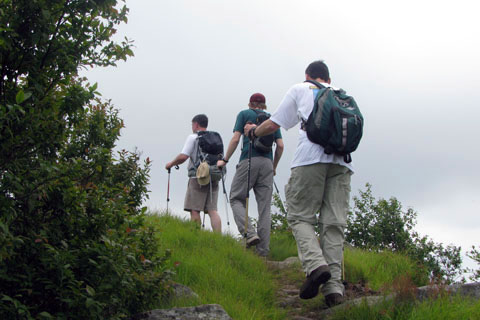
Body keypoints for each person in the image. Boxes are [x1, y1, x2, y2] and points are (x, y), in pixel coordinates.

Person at [244, 61, 353, 307]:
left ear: (308, 76)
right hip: (342, 163)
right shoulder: (342, 94)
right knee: (333, 224)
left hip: (310, 160)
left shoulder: (301, 89)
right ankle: (334, 289)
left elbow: (274, 124)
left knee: (300, 216)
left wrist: (253, 132)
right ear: (328, 78)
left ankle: (316, 266)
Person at [217, 93, 284, 257]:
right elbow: (280, 146)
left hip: (249, 159)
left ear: (250, 103)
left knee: (235, 197)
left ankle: (249, 233)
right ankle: (263, 253)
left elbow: (235, 139)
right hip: (267, 163)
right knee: (264, 208)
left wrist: (225, 159)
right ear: (265, 105)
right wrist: (274, 167)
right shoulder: (272, 119)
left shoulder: (244, 114)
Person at [165, 114, 222, 232]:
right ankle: (218, 237)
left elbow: (183, 156)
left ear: (196, 124)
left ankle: (196, 234)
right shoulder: (216, 138)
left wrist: (171, 164)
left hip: (198, 177)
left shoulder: (193, 137)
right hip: (214, 176)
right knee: (212, 210)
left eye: (192, 124)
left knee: (194, 209)